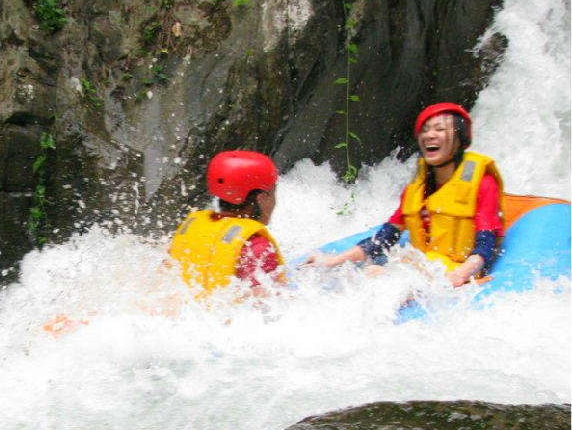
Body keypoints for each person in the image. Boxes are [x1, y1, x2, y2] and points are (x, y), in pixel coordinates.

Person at [304, 103, 504, 287]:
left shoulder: (483, 185)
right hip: (422, 266)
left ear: (460, 140)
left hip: (455, 270)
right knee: (355, 274)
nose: (430, 135)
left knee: (374, 273)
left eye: (440, 129)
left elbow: (485, 246)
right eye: (425, 130)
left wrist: (459, 275)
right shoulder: (416, 187)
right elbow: (384, 238)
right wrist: (333, 261)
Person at [168, 150, 285, 299]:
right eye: (273, 193)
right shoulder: (256, 247)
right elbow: (270, 308)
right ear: (261, 198)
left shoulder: (191, 227)